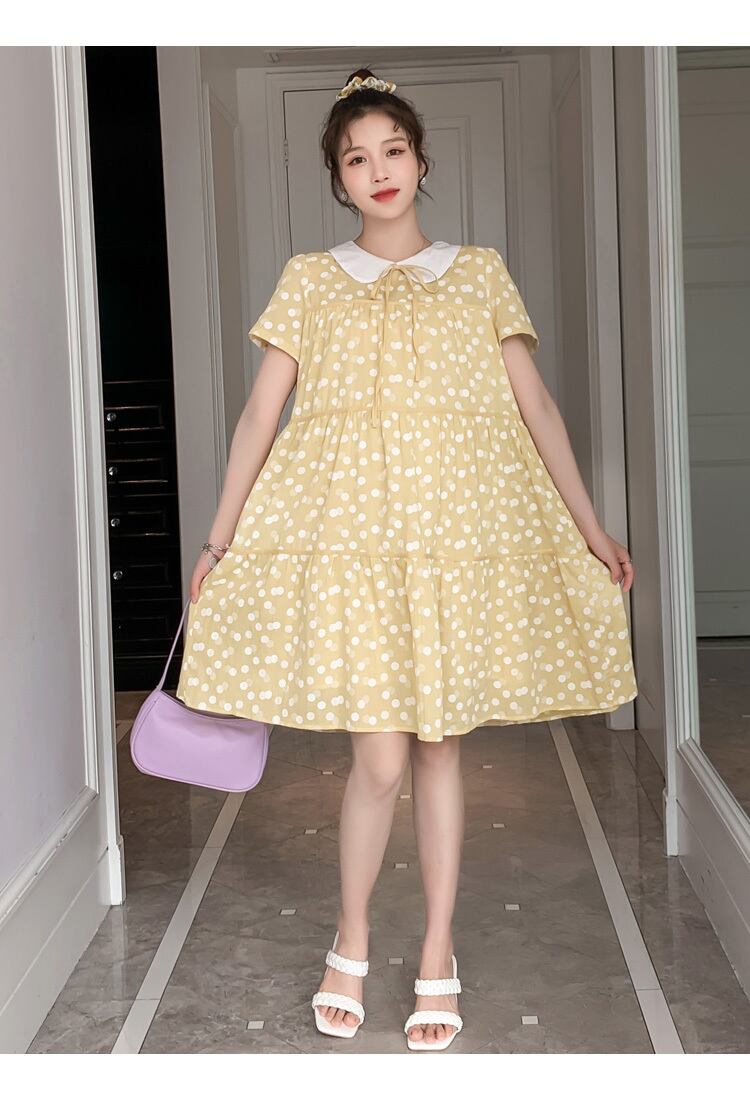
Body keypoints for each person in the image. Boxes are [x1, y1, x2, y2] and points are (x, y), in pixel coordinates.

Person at [175, 67, 637, 1051]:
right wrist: (219, 534)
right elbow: (261, 415)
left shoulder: (479, 272)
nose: (378, 169)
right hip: (356, 546)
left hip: (452, 548)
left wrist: (591, 527)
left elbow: (535, 405)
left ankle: (435, 949)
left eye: (393, 149)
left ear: (422, 161)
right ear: (338, 180)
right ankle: (350, 937)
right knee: (378, 758)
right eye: (356, 158)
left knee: (438, 748)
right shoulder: (311, 278)